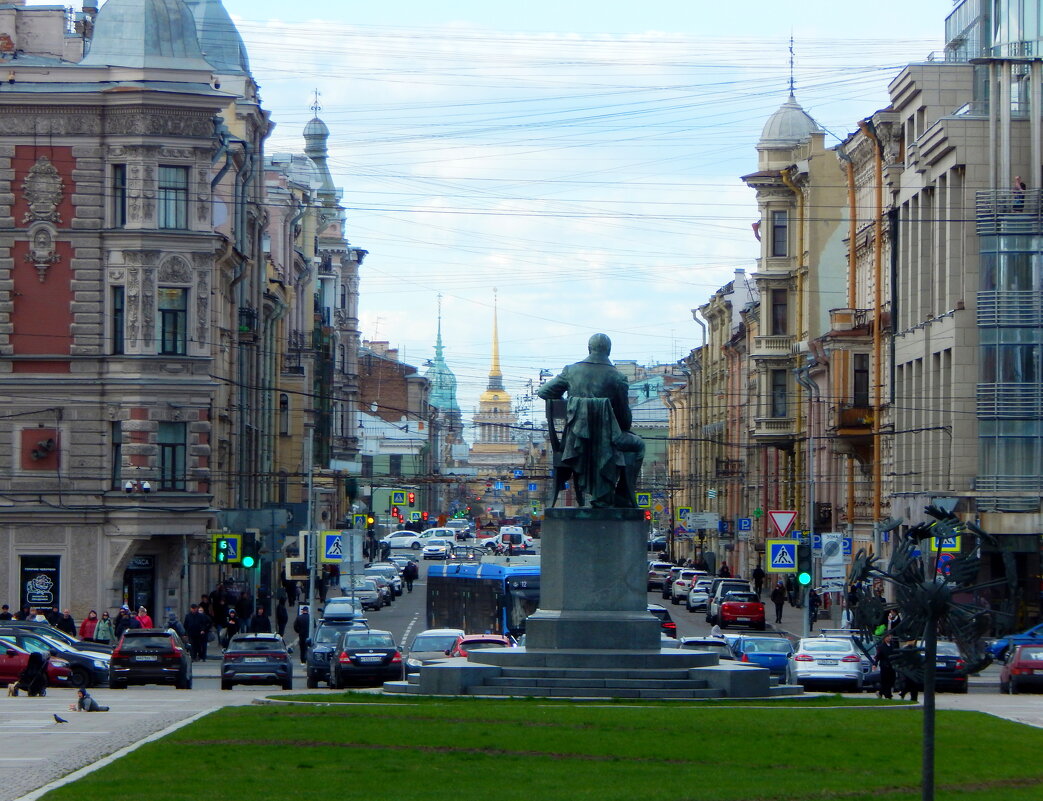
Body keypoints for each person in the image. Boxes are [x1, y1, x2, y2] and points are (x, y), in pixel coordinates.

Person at [537, 333, 645, 508]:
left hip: (574, 443)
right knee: (638, 445)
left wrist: (575, 408)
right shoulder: (618, 377)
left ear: (589, 349)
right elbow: (625, 421)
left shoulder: (570, 371)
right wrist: (605, 417)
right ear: (609, 351)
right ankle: (623, 496)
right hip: (608, 442)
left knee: (616, 443)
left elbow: (545, 392)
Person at [875, 632, 897, 699]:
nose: (889, 638)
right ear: (884, 638)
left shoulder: (893, 646)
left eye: (890, 636)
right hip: (884, 666)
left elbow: (895, 654)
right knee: (885, 680)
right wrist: (875, 664)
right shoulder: (881, 647)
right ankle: (888, 695)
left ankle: (881, 692)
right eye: (888, 636)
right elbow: (878, 656)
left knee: (892, 679)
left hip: (892, 665)